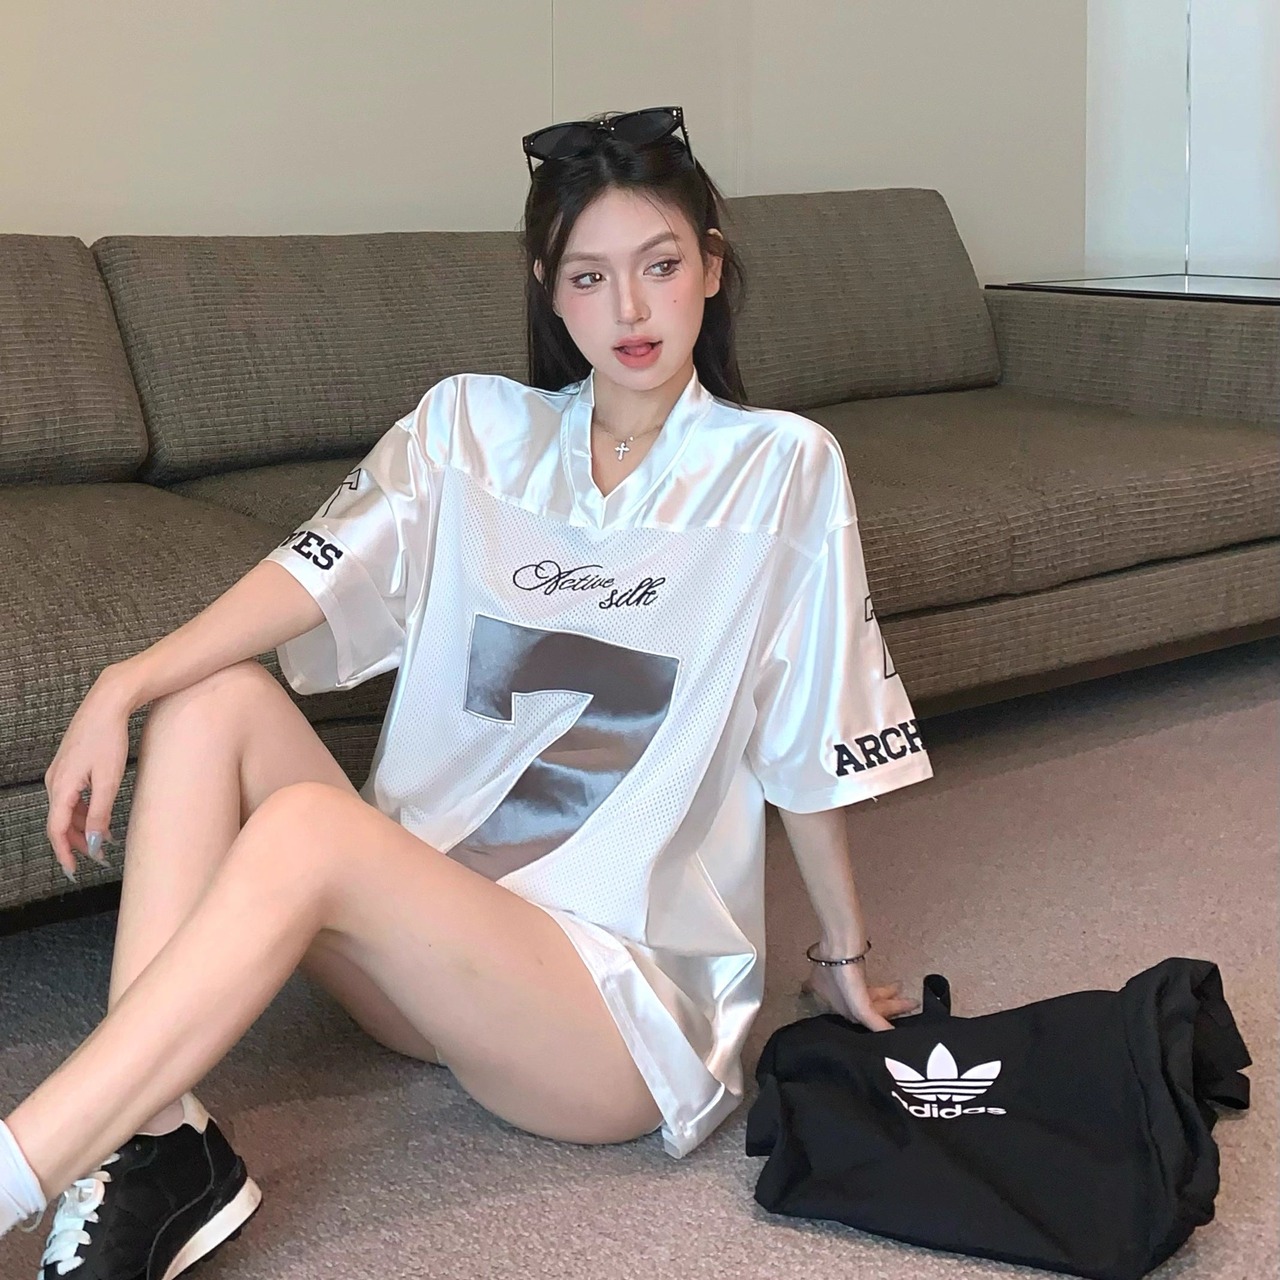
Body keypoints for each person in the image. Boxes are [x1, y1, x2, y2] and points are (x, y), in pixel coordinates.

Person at [0, 105, 933, 1277]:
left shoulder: (781, 466)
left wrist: (840, 950)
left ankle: (27, 1165)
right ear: (549, 289)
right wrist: (123, 682)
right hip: (426, 942)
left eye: (657, 266)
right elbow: (310, 572)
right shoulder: (467, 426)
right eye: (589, 277)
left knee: (306, 827)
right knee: (210, 697)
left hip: (603, 1016)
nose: (629, 310)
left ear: (710, 265)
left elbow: (809, 727)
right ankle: (150, 1140)